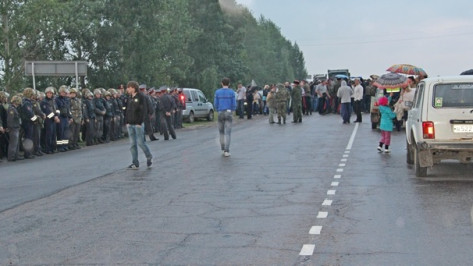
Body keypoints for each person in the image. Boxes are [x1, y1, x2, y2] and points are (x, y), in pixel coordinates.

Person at [125, 81, 153, 169]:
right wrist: (127, 121)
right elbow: (127, 110)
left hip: (138, 124)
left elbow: (143, 111)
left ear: (133, 88)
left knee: (141, 143)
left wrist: (140, 122)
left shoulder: (141, 97)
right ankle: (135, 162)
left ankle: (149, 156)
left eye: (128, 88)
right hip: (130, 124)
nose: (127, 89)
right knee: (132, 144)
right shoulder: (129, 97)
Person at [214, 77, 236, 157]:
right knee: (228, 133)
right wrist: (233, 110)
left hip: (220, 112)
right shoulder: (231, 92)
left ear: (222, 83)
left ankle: (222, 148)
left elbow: (215, 103)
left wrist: (217, 109)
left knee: (221, 132)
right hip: (228, 112)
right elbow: (234, 103)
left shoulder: (217, 92)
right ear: (229, 84)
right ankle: (227, 150)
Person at [7, 95, 23, 161]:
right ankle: (11, 157)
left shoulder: (14, 108)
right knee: (13, 143)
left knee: (16, 143)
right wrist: (11, 127)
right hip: (13, 128)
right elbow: (10, 119)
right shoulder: (12, 109)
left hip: (16, 127)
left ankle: (16, 155)